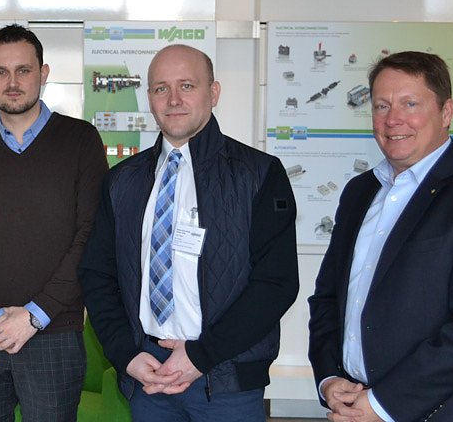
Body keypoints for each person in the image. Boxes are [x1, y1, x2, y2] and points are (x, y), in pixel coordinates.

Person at [78, 44, 299, 421]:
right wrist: (126, 354)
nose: (174, 99)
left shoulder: (259, 174)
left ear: (213, 92)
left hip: (226, 379)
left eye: (187, 85)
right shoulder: (121, 181)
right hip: (149, 375)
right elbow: (97, 275)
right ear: (150, 98)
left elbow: (276, 283)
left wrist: (200, 356)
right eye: (161, 88)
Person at [308, 51, 453, 422]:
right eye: (381, 106)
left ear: (446, 112)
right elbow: (329, 298)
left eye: (410, 104)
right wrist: (330, 378)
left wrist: (382, 405)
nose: (393, 119)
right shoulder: (359, 192)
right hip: (353, 406)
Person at [0, 24, 108, 420]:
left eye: (23, 70)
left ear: (43, 73)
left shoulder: (81, 141)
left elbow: (91, 236)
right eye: (0, 72)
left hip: (54, 333)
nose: (12, 82)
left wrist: (34, 315)